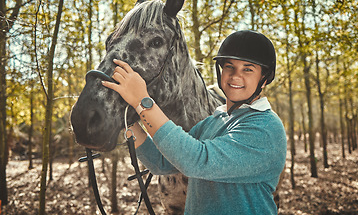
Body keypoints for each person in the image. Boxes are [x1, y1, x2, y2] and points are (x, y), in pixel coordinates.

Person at [102, 30, 287, 214]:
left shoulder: (266, 127)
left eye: (248, 69)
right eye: (229, 66)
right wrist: (129, 120)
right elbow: (161, 163)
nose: (235, 76)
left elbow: (197, 161)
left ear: (264, 79)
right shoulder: (214, 121)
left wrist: (142, 102)